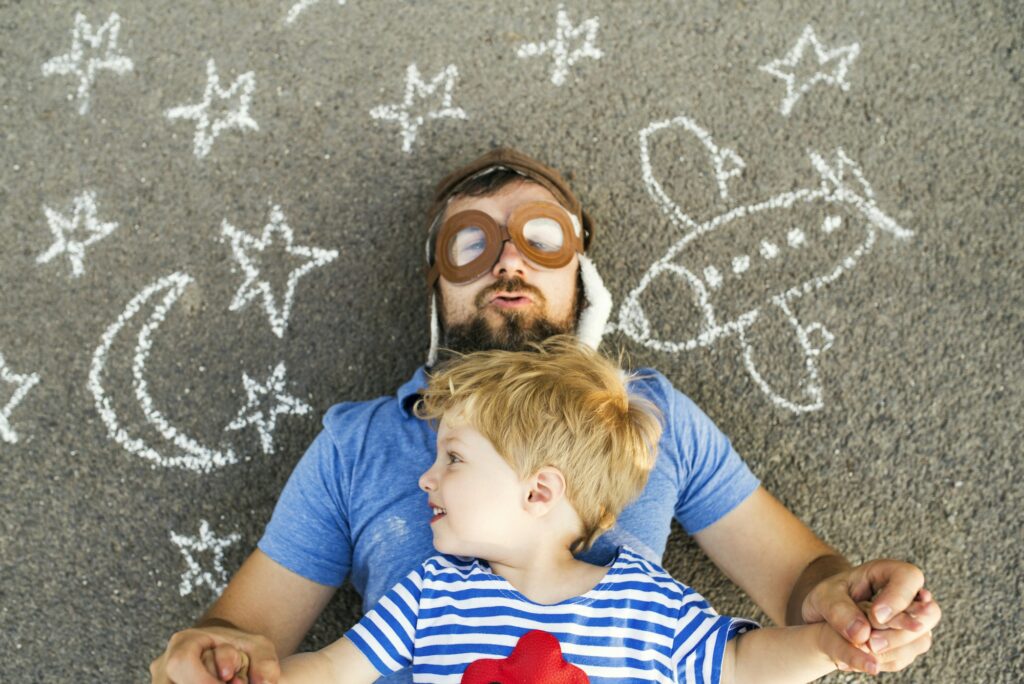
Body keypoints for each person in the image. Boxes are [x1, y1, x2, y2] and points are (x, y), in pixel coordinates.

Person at [150, 148, 939, 684]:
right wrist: (213, 656)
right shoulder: (359, 443)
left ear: (581, 275)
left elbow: (795, 587)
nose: (508, 259)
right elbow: (250, 638)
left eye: (541, 237)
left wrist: (848, 610)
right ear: (437, 284)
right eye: (470, 243)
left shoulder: (649, 415)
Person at [279, 337, 852, 684]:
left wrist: (827, 646)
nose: (425, 479)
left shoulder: (648, 603)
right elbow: (332, 669)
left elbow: (741, 666)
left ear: (538, 492)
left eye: (453, 458)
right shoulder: (431, 593)